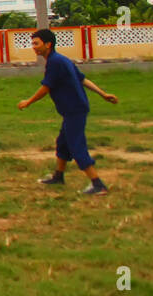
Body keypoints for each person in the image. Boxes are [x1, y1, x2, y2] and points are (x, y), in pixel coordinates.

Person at [18, 28, 118, 195]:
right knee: (63, 144)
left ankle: (98, 184)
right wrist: (103, 94)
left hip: (74, 110)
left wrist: (28, 102)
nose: (33, 47)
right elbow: (83, 79)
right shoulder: (61, 59)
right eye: (32, 43)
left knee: (76, 145)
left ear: (48, 44)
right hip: (74, 109)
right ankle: (58, 176)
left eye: (36, 43)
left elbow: (46, 87)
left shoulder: (56, 62)